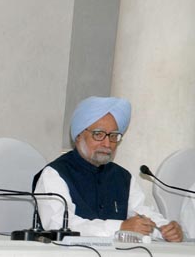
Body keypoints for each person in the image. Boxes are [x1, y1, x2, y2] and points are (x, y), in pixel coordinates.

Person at [33, 96, 183, 241]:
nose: (107, 143)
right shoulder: (55, 174)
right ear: (79, 136)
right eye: (98, 134)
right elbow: (59, 225)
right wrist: (120, 227)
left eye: (113, 136)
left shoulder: (123, 177)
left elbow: (142, 212)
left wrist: (165, 229)